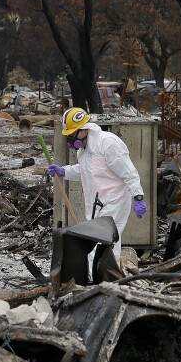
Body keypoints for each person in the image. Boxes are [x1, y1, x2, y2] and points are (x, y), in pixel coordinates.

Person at [48, 107, 147, 262]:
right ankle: (102, 278)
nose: (71, 139)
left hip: (115, 201)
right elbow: (84, 171)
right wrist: (64, 171)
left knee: (104, 244)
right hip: (97, 205)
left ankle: (104, 279)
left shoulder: (108, 143)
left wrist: (138, 197)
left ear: (83, 130)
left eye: (72, 134)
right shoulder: (84, 149)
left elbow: (130, 173)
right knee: (101, 244)